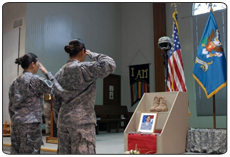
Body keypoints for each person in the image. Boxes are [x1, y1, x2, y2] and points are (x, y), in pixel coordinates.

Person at [53, 38, 116, 154]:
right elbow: (110, 64)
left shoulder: (59, 73)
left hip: (63, 121)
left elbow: (56, 101)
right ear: (82, 52)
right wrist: (92, 54)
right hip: (82, 123)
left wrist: (59, 120)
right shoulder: (85, 68)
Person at [8, 52, 63, 154]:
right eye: (38, 63)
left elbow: (10, 105)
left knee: (16, 152)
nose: (38, 66)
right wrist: (46, 72)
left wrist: (15, 119)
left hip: (16, 124)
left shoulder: (14, 82)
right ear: (33, 64)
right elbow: (56, 89)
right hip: (30, 125)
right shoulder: (35, 80)